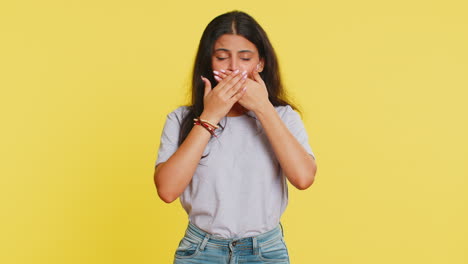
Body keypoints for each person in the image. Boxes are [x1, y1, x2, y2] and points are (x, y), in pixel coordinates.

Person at [154, 10, 317, 264]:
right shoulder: (181, 119)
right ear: (209, 62)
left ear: (260, 63)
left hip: (265, 252)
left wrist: (263, 107)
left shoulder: (283, 117)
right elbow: (167, 190)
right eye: (222, 57)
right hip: (200, 251)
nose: (233, 67)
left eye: (245, 58)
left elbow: (304, 178)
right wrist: (210, 116)